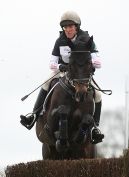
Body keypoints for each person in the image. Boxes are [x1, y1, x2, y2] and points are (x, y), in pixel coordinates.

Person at [20, 10, 104, 143]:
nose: (68, 30)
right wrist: (60, 67)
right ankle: (34, 115)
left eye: (70, 27)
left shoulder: (87, 40)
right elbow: (52, 63)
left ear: (76, 27)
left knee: (98, 94)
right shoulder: (60, 41)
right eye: (65, 27)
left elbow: (98, 62)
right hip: (63, 71)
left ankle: (95, 128)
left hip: (81, 74)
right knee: (45, 84)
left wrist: (87, 62)